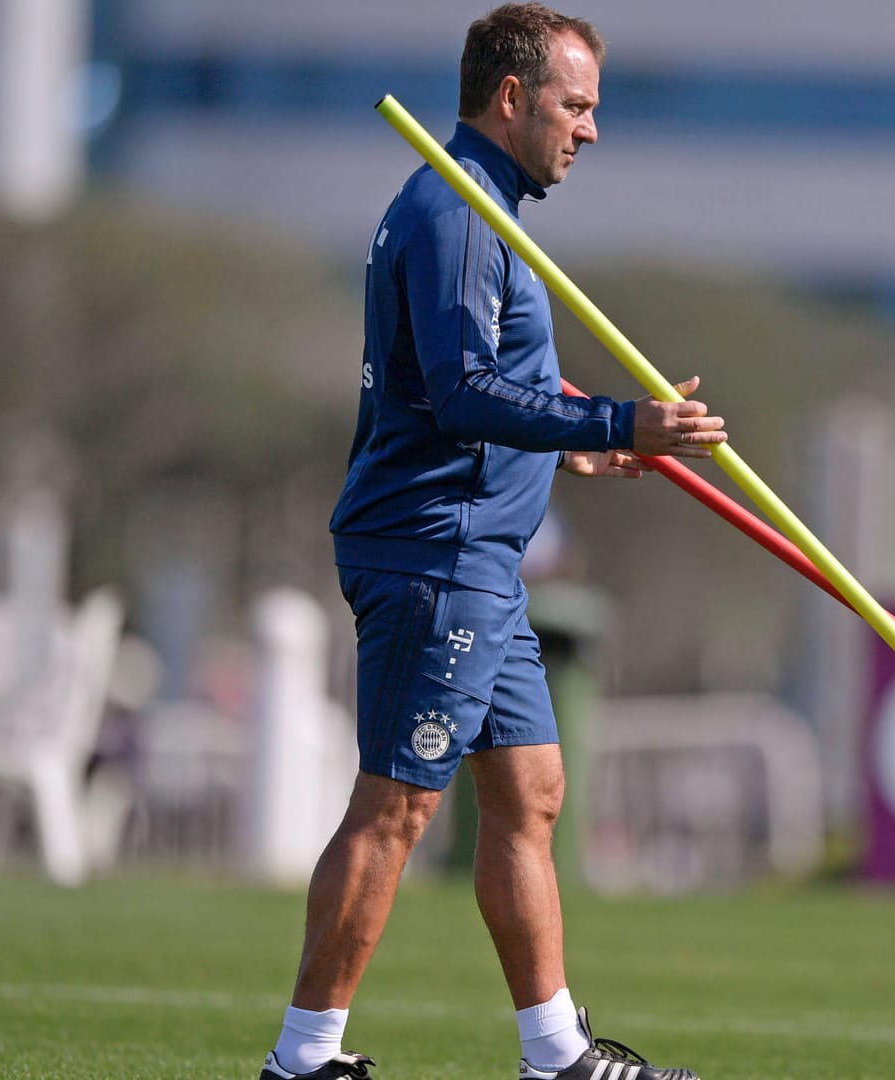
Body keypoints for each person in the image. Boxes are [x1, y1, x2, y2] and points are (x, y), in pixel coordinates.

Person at [258, 5, 721, 1078]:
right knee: (397, 806)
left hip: (484, 561)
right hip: (436, 557)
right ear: (511, 98)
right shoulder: (458, 210)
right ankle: (302, 1060)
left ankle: (558, 1057)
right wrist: (614, 421)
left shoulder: (488, 209)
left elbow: (466, 381)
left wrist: (572, 449)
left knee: (532, 793)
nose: (591, 130)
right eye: (576, 105)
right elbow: (465, 395)